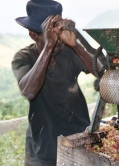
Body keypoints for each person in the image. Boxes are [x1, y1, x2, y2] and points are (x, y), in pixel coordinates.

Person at [11, 0, 101, 165]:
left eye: (58, 34)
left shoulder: (70, 52)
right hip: (42, 146)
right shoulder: (24, 57)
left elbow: (101, 73)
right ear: (33, 34)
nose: (58, 41)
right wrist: (48, 47)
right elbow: (29, 91)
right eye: (50, 35)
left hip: (77, 139)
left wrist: (76, 46)